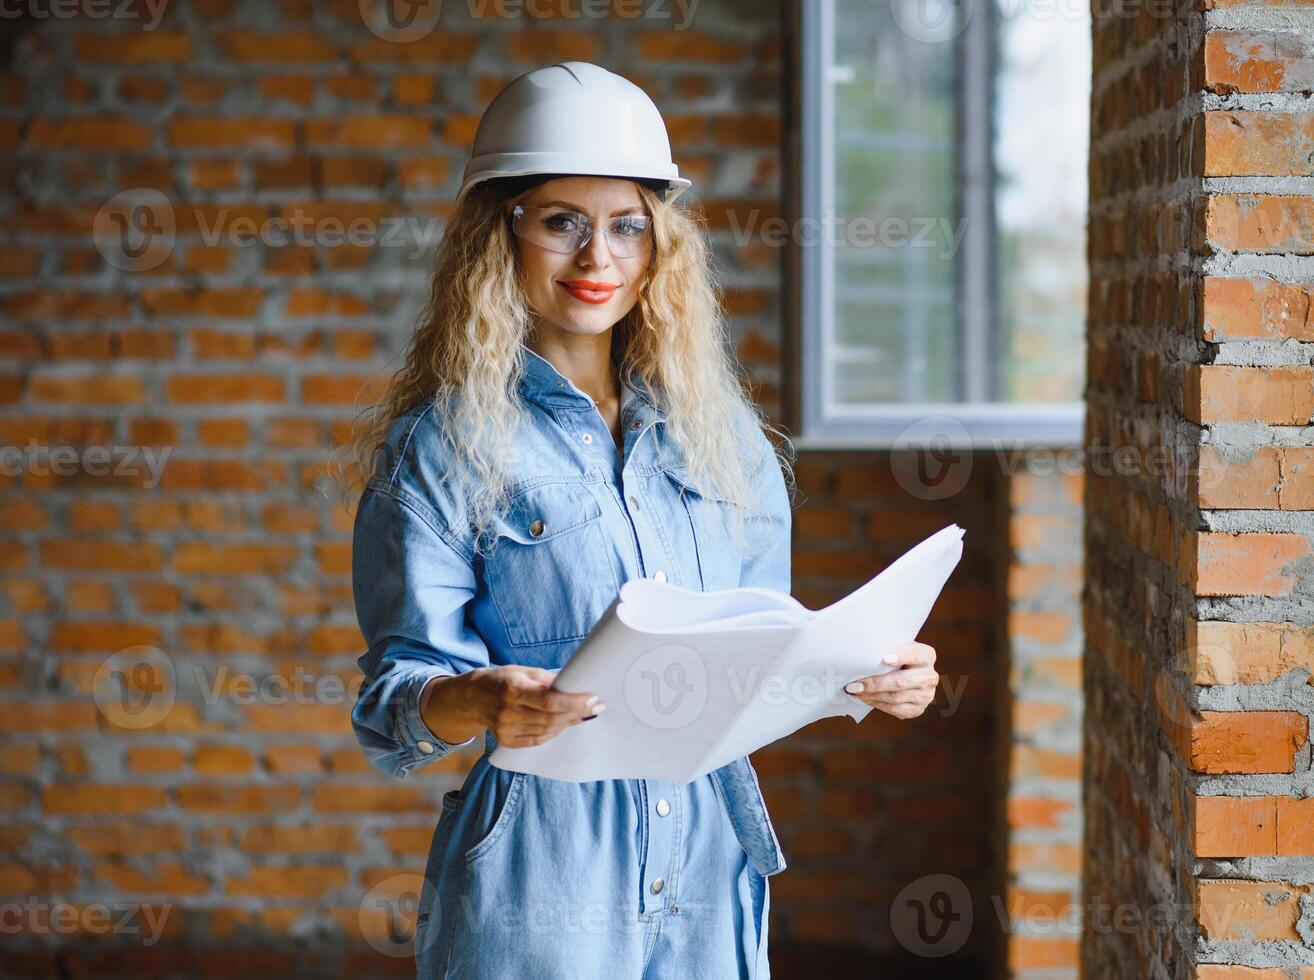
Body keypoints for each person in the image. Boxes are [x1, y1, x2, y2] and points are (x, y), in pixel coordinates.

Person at [338, 61, 941, 980]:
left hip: (707, 859)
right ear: (498, 235)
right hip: (539, 863)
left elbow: (762, 647)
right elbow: (391, 707)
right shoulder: (445, 446)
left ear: (663, 242)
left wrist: (871, 673)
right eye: (560, 223)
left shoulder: (721, 436)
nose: (599, 259)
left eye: (628, 225)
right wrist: (483, 700)